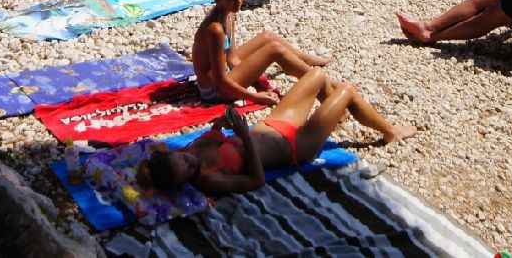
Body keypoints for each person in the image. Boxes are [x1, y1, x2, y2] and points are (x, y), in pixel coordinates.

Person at [140, 68, 416, 198]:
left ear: (176, 153)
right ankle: (389, 131)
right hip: (296, 147)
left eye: (184, 162)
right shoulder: (210, 180)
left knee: (318, 75)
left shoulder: (190, 151)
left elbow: (213, 134)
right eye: (187, 171)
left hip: (274, 125)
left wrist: (223, 123)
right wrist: (244, 135)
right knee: (346, 91)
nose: (191, 165)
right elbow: (256, 180)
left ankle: (335, 114)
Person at [192, 0, 328, 105]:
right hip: (216, 91)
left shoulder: (229, 15)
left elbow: (232, 58)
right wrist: (255, 96)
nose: (239, 1)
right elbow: (220, 80)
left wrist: (254, 72)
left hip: (225, 74)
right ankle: (324, 86)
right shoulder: (215, 29)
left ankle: (303, 59)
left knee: (268, 37)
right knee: (275, 50)